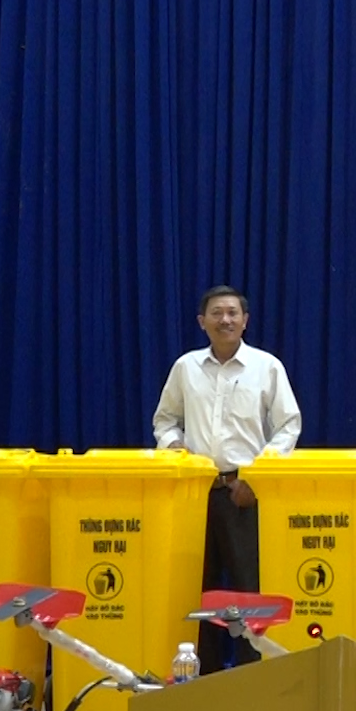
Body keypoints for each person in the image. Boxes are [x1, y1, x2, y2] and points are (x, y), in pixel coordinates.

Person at [153, 285, 302, 671]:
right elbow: (165, 420)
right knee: (195, 591)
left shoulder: (266, 367)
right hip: (195, 493)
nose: (226, 320)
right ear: (203, 322)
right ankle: (202, 679)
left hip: (245, 494)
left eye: (233, 313)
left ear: (245, 320)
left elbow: (288, 425)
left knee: (249, 592)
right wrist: (177, 453)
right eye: (217, 313)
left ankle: (253, 680)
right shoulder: (186, 367)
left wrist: (256, 476)